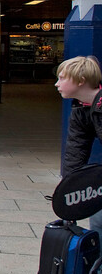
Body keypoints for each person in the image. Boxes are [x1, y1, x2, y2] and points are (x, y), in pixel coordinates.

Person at [55, 55, 102, 239]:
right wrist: (66, 195)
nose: (57, 84)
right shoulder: (81, 110)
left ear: (81, 81)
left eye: (62, 78)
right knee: (98, 217)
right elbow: (75, 152)